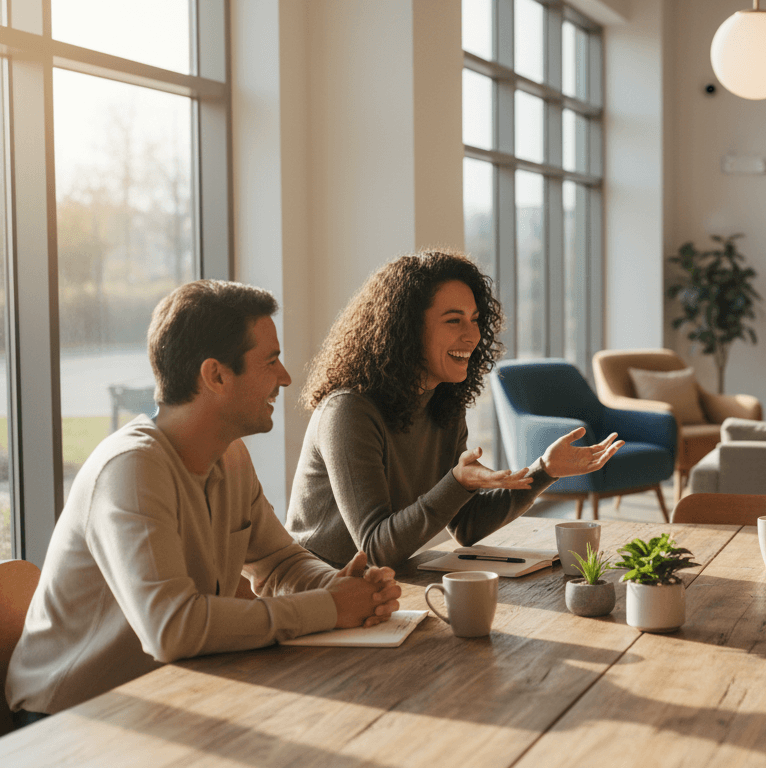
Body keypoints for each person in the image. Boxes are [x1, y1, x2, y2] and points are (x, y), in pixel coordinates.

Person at [6, 281, 401, 721]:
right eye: (270, 362)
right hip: (66, 722)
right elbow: (172, 630)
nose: (286, 377)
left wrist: (341, 588)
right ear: (215, 375)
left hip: (165, 697)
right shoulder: (132, 469)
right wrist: (329, 607)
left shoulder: (229, 454)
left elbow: (279, 561)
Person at [285, 249, 622, 569]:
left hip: (381, 588)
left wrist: (543, 471)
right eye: (453, 320)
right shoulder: (347, 412)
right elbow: (375, 547)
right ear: (405, 328)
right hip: (316, 591)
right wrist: (457, 482)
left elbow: (467, 525)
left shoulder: (443, 403)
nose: (472, 335)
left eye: (475, 320)